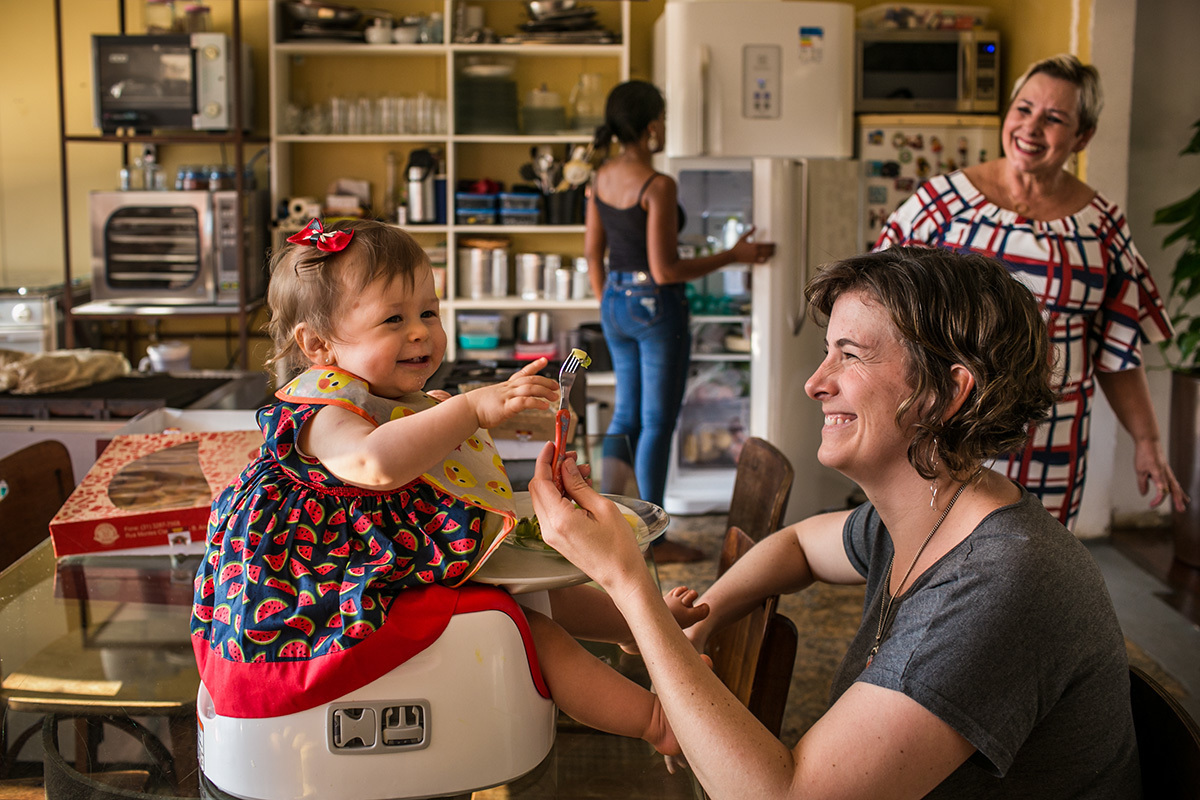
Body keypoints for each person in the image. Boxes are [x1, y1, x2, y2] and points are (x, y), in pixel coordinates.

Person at [530, 247, 1142, 798]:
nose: (815, 382)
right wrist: (704, 619)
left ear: (947, 394)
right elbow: (796, 545)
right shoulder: (925, 514)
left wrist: (629, 582)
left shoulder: (1002, 583)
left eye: (848, 355)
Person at [190, 218, 707, 754]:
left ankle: (632, 626)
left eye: (428, 312)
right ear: (318, 344)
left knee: (536, 590)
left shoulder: (394, 399)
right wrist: (471, 407)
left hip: (378, 564)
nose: (420, 332)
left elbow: (436, 441)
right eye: (394, 319)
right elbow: (375, 463)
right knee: (521, 625)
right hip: (324, 601)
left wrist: (521, 421)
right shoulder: (323, 411)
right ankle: (654, 721)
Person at [875, 53, 1186, 529]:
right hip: (945, 430)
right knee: (932, 565)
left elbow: (1118, 349)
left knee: (1032, 572)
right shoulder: (940, 206)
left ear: (1083, 136)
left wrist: (1148, 441)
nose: (1031, 127)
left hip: (1053, 445)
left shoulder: (1100, 226)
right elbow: (878, 310)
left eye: (1054, 118)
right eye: (1024, 109)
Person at [584, 79, 775, 562]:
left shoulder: (600, 178)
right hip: (655, 305)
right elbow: (666, 268)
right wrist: (736, 254)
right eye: (663, 119)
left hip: (614, 301)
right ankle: (652, 541)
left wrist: (611, 303)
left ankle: (608, 525)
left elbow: (592, 254)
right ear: (651, 127)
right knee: (656, 422)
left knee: (626, 415)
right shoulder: (657, 185)